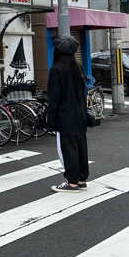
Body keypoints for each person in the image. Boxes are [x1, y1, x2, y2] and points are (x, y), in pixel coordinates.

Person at [47, 36, 89, 192]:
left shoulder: (57, 69)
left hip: (65, 116)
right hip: (80, 114)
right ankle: (82, 178)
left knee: (68, 148)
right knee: (81, 146)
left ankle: (72, 182)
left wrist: (50, 120)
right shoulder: (77, 67)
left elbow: (54, 98)